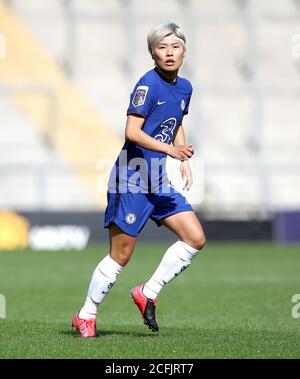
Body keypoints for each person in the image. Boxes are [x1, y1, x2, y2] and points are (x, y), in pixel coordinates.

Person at [72, 21, 206, 338]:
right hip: (131, 179)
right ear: (152, 53)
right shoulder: (147, 85)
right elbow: (132, 132)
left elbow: (175, 122)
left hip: (157, 179)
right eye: (162, 47)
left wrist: (182, 158)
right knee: (121, 255)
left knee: (195, 238)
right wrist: (170, 150)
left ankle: (148, 291)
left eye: (175, 46)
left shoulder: (185, 87)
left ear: (184, 51)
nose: (169, 53)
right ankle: (86, 315)